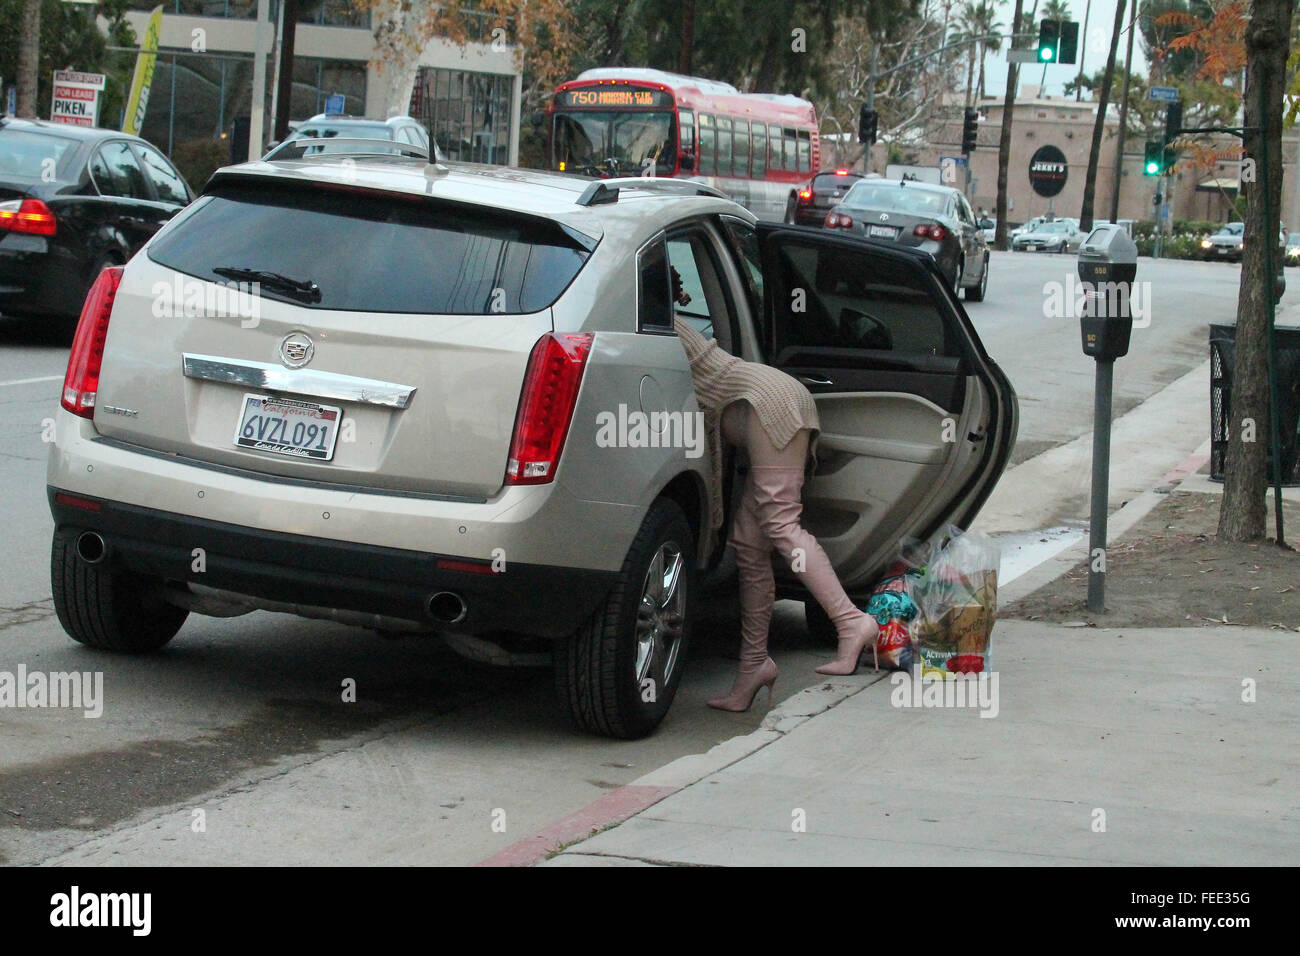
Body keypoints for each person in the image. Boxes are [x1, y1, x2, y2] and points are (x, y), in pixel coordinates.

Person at [671, 269, 878, 713]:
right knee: (750, 542)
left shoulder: (660, 328)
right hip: (770, 398)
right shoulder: (673, 325)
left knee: (781, 525)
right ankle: (753, 668)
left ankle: (851, 621)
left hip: (770, 404)